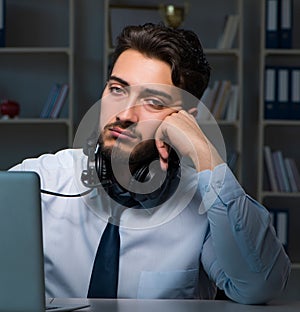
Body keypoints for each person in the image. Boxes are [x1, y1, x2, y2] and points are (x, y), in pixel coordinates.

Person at [10, 23, 290, 304]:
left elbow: (259, 286)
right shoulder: (42, 181)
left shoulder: (205, 204)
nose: (125, 114)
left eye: (153, 102)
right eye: (118, 89)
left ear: (184, 119)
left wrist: (203, 152)